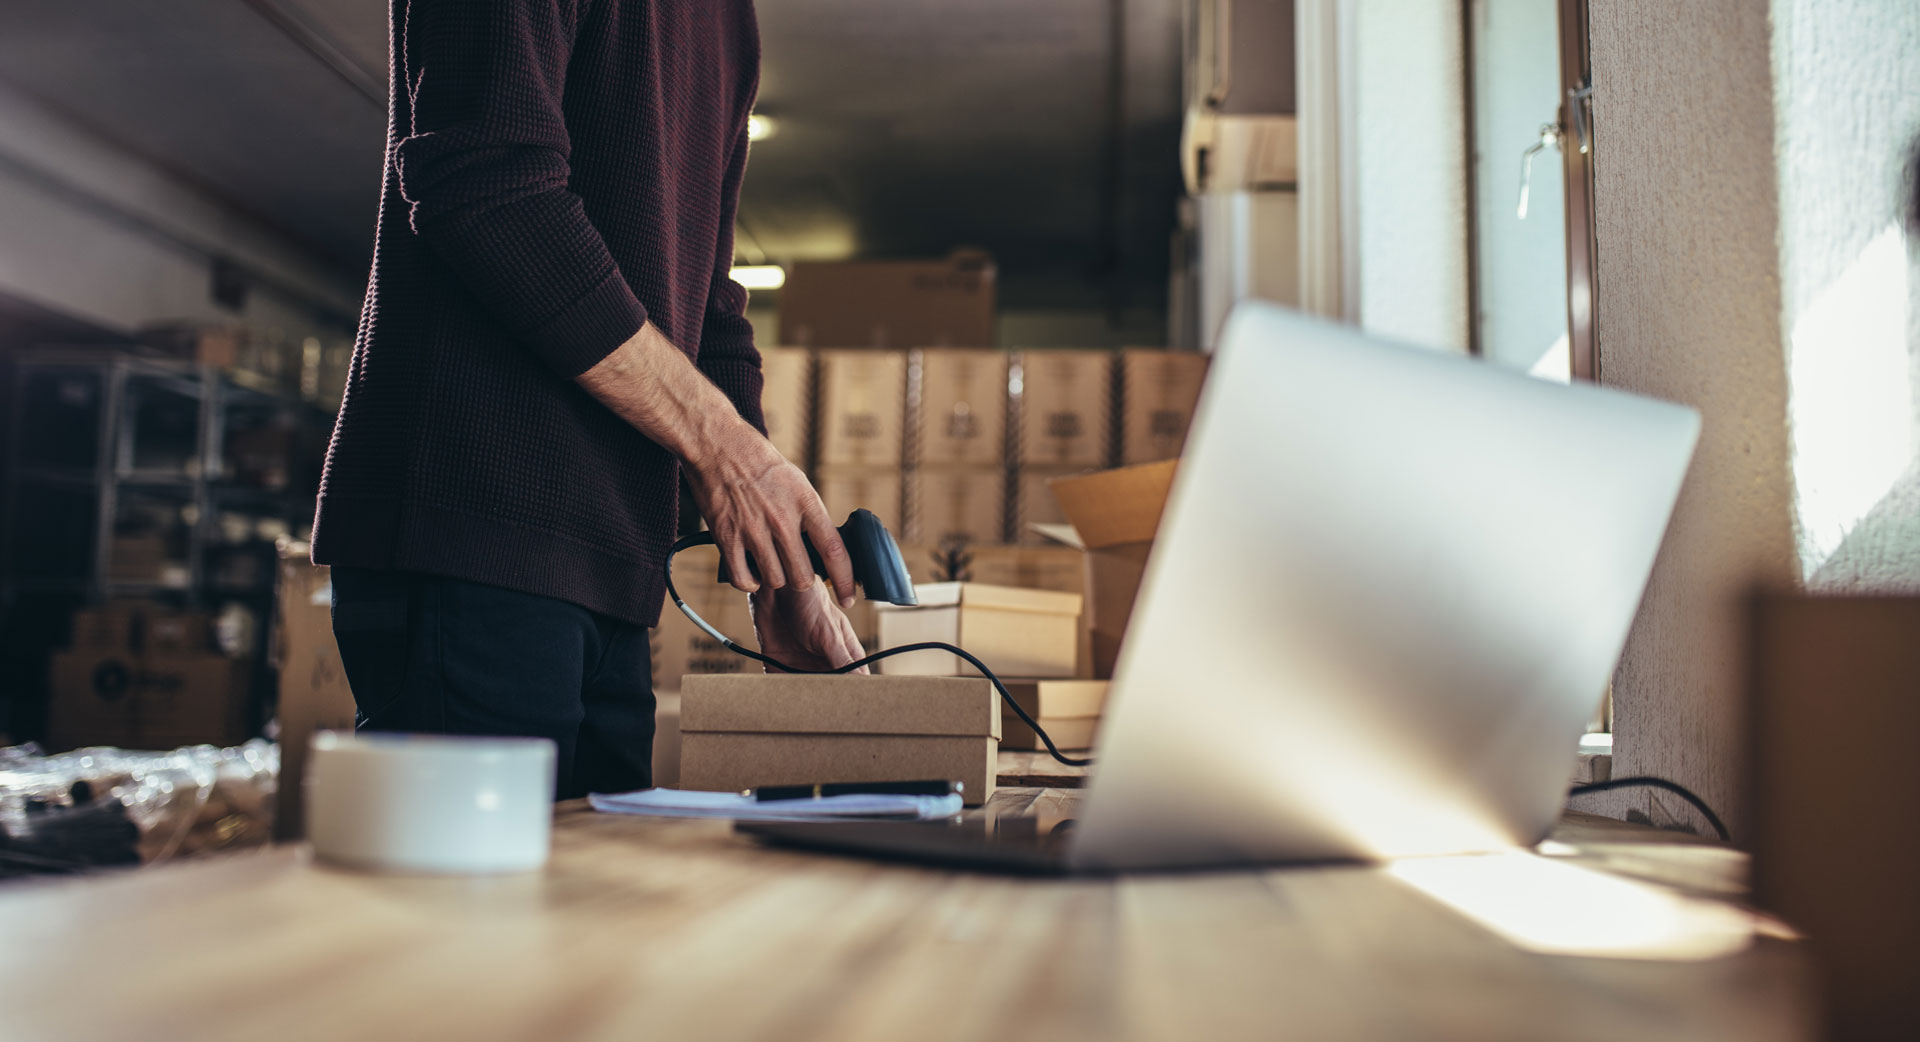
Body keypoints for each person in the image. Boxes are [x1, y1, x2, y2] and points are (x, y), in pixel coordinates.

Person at [311, 0, 866, 800]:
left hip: (614, 568)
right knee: (466, 920)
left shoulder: (728, 20)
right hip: (475, 533)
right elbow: (489, 190)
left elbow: (706, 307)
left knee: (596, 912)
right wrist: (721, 448)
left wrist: (785, 572)